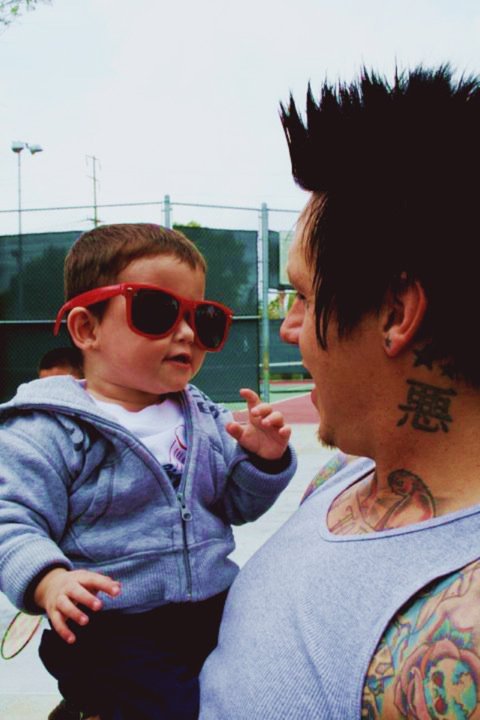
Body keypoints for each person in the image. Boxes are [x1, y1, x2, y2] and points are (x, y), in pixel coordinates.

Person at [199, 66, 480, 718]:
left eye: (302, 295)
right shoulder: (343, 475)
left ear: (395, 314)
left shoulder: (459, 632)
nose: (288, 326)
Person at [0, 223, 296, 720]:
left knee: (266, 681)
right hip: (115, 627)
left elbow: (236, 506)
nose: (187, 333)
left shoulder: (204, 417)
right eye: (156, 311)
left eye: (203, 319)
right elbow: (10, 518)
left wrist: (262, 462)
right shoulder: (49, 428)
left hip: (212, 604)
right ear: (86, 330)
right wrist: (49, 580)